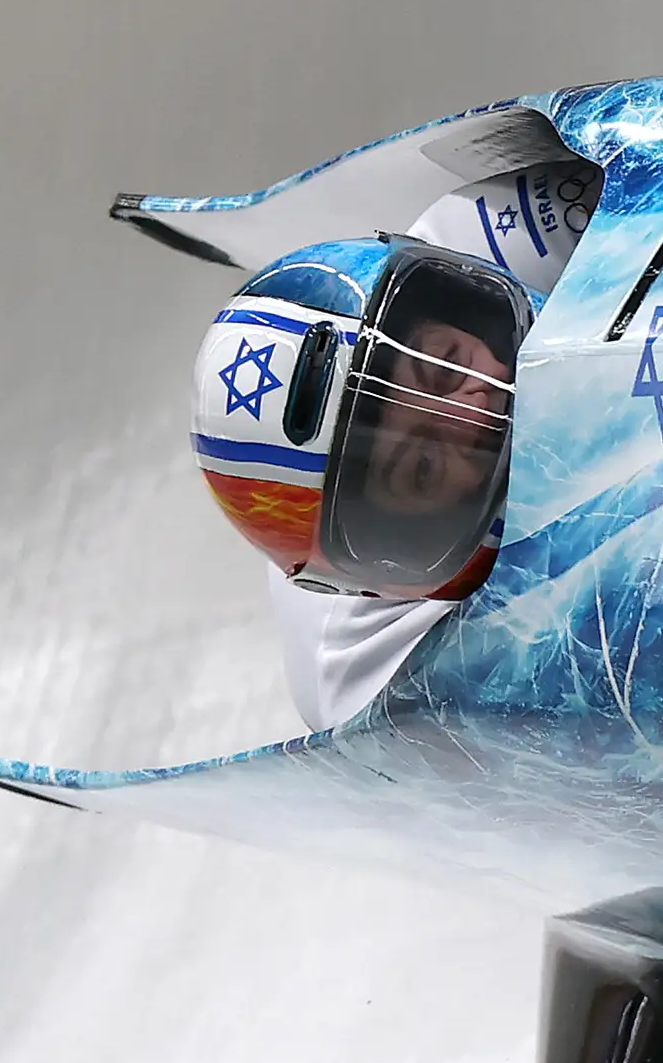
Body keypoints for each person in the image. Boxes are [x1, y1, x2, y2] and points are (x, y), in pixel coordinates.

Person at [187, 161, 597, 732]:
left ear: (460, 308)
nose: (482, 411)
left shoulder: (490, 233)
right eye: (424, 467)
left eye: (447, 366)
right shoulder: (365, 677)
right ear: (402, 552)